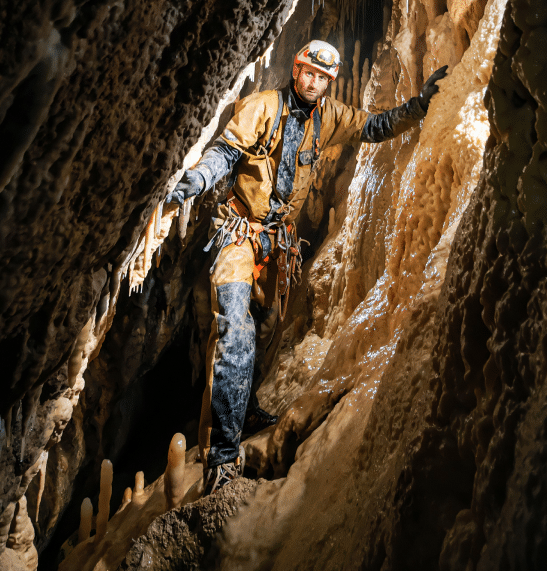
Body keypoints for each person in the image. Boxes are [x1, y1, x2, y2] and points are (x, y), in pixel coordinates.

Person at [166, 40, 447, 494]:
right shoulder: (262, 107)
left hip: (277, 245)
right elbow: (227, 150)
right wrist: (198, 178)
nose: (313, 82)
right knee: (234, 329)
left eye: (322, 78)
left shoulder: (330, 116)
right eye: (308, 73)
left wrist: (417, 107)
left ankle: (247, 405)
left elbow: (374, 126)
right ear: (296, 70)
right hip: (241, 234)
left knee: (266, 330)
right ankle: (221, 452)